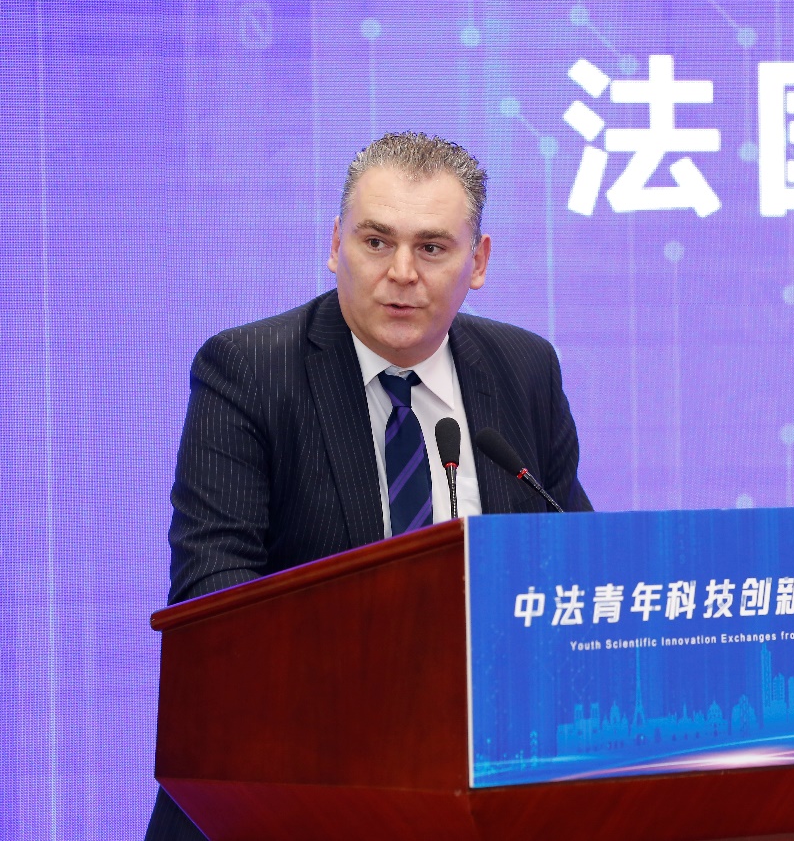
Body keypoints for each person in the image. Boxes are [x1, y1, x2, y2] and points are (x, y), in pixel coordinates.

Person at [145, 132, 591, 840]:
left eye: (432, 248)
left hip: (486, 789)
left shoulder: (524, 368)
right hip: (293, 784)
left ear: (478, 262)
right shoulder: (249, 371)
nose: (401, 273)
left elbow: (577, 566)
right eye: (377, 242)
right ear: (335, 244)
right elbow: (214, 598)